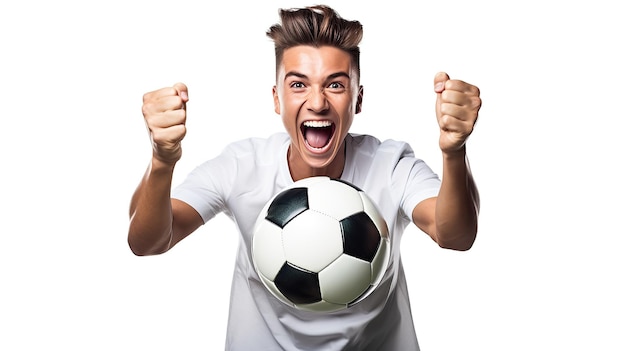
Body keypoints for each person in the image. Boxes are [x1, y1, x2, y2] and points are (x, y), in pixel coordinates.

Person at [128, 4, 481, 350]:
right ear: (277, 99)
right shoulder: (242, 166)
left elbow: (455, 235)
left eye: (335, 86)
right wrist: (162, 161)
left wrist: (454, 152)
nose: (317, 102)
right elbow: (149, 241)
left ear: (358, 100)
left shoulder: (390, 165)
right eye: (298, 85)